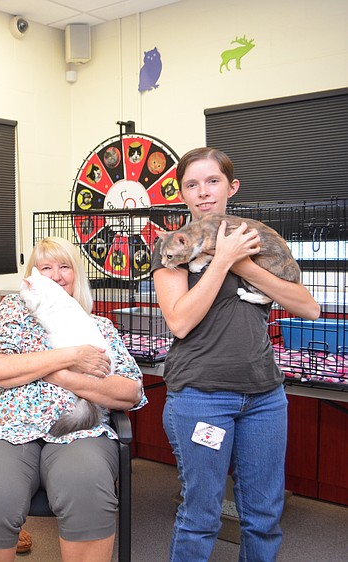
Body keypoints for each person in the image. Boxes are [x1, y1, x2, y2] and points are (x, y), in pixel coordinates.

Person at [151, 147, 320, 561]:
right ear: (182, 193)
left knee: (263, 516)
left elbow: (309, 307)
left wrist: (243, 264)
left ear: (232, 187)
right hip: (202, 395)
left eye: (213, 181)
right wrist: (223, 261)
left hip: (264, 395)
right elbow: (180, 322)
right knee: (201, 515)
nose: (203, 192)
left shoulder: (251, 242)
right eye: (192, 184)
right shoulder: (174, 247)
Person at [0, 237, 146, 562]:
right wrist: (71, 356)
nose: (57, 275)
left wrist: (53, 374)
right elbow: (0, 369)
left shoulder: (98, 326)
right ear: (33, 276)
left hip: (80, 430)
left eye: (65, 267)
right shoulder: (12, 315)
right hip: (8, 426)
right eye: (46, 267)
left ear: (77, 276)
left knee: (87, 490)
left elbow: (130, 391)